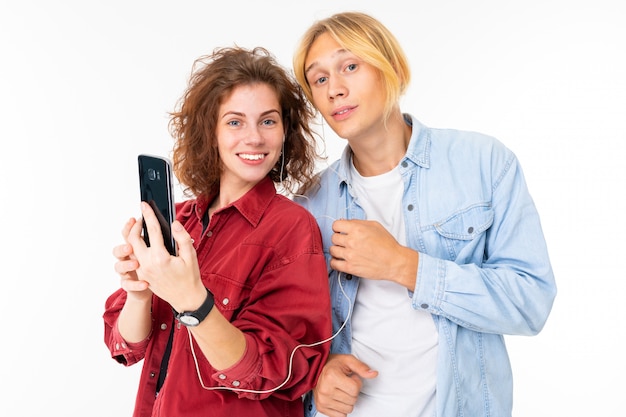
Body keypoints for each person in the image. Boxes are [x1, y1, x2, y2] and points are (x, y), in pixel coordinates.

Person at [291, 11, 557, 417]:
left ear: (392, 68)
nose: (335, 90)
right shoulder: (310, 204)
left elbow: (530, 303)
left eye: (350, 66)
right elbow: (296, 335)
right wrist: (319, 376)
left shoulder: (483, 163)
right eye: (320, 78)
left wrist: (405, 265)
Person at [103, 46, 332, 417]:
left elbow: (277, 371)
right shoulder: (180, 221)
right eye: (235, 122)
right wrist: (139, 292)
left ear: (286, 132)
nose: (254, 138)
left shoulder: (291, 227)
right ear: (210, 131)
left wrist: (192, 301)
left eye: (269, 121)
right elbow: (128, 346)